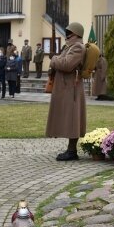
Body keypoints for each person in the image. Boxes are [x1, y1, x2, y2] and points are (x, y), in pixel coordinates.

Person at [46, 22, 87, 161]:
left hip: (71, 88)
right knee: (69, 118)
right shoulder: (70, 46)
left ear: (76, 33)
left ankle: (72, 151)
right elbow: (62, 61)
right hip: (66, 87)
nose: (67, 33)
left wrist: (53, 59)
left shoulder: (78, 47)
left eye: (69, 31)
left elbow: (67, 64)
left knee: (73, 119)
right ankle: (71, 150)